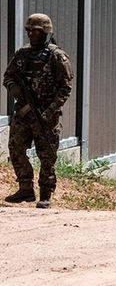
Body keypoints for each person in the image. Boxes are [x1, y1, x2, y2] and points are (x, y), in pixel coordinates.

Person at [3, 14, 73, 208]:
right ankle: (25, 189)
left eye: (36, 31)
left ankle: (45, 193)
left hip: (46, 116)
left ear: (45, 32)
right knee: (16, 148)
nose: (31, 34)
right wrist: (16, 91)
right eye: (29, 30)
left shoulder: (57, 56)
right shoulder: (22, 54)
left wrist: (49, 111)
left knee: (47, 155)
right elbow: (8, 77)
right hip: (24, 113)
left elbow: (65, 88)